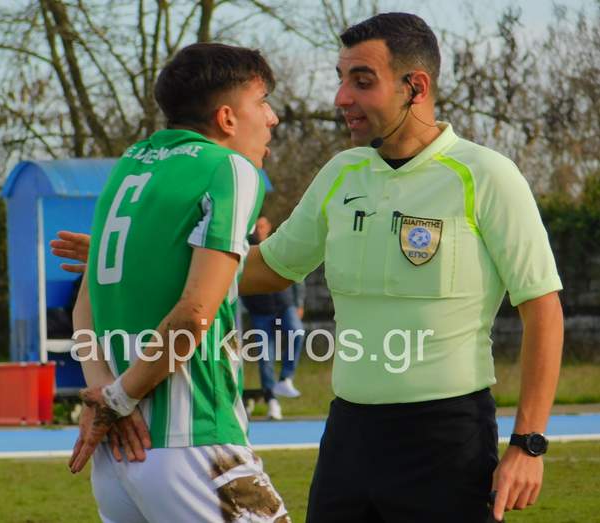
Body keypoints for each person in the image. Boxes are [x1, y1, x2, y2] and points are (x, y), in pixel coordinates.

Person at [54, 13, 564, 523]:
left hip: (447, 438)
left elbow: (542, 310)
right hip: (348, 438)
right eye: (341, 79)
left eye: (361, 81)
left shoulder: (486, 175)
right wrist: (145, 253)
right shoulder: (341, 173)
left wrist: (529, 442)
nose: (341, 97)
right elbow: (265, 268)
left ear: (416, 87)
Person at [54, 42, 289, 523]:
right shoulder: (230, 168)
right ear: (227, 117)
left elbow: (85, 307)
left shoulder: (131, 164)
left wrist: (104, 392)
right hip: (196, 446)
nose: (272, 117)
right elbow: (195, 314)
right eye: (262, 101)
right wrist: (115, 400)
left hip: (118, 455)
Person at [241, 216, 306, 421]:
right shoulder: (245, 248)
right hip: (260, 310)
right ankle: (271, 400)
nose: (259, 230)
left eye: (263, 226)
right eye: (256, 226)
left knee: (297, 332)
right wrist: (249, 305)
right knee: (265, 357)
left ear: (268, 227)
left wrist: (299, 303)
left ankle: (286, 378)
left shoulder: (279, 242)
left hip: (284, 304)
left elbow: (297, 272)